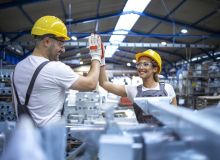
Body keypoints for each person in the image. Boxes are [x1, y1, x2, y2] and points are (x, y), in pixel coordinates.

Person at [11, 16, 103, 127]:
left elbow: (14, 103)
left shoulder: (16, 69)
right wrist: (96, 56)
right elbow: (92, 83)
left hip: (25, 139)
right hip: (49, 140)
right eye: (61, 44)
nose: (63, 49)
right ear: (47, 41)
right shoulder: (54, 68)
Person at [99, 48, 177, 124]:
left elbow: (175, 118)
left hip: (165, 135)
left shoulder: (168, 88)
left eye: (145, 64)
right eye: (139, 64)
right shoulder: (133, 90)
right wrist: (101, 60)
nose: (140, 67)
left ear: (155, 69)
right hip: (143, 135)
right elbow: (104, 83)